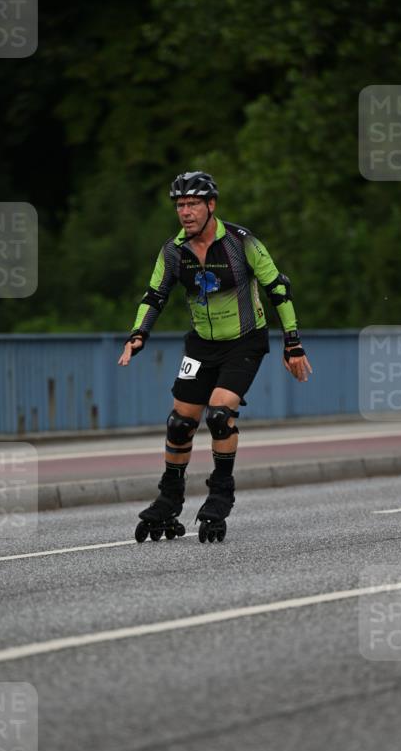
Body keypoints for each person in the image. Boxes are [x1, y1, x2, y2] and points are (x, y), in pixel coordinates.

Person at [118, 170, 312, 542]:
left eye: (192, 204)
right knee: (180, 423)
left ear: (211, 206)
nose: (185, 212)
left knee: (220, 414)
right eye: (179, 205)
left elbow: (278, 290)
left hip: (244, 341)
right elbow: (154, 295)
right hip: (201, 345)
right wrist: (138, 334)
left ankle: (220, 494)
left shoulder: (242, 243)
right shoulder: (173, 251)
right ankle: (169, 498)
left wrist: (293, 343)